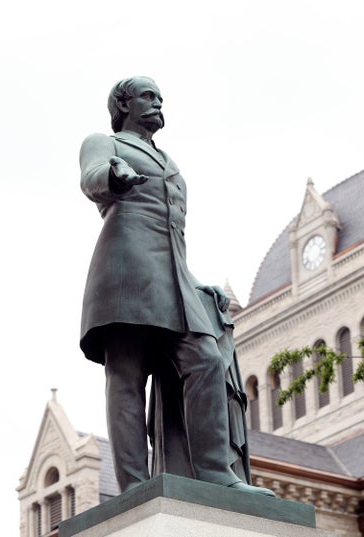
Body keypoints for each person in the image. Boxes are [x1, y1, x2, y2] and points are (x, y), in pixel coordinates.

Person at [78, 76, 273, 497]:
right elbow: (91, 177)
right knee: (127, 376)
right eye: (148, 96)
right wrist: (114, 174)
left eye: (160, 98)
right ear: (123, 105)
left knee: (204, 360)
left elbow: (170, 237)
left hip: (174, 281)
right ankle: (134, 486)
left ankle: (215, 472)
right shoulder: (105, 143)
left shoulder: (169, 160)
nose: (158, 103)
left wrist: (197, 284)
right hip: (124, 273)